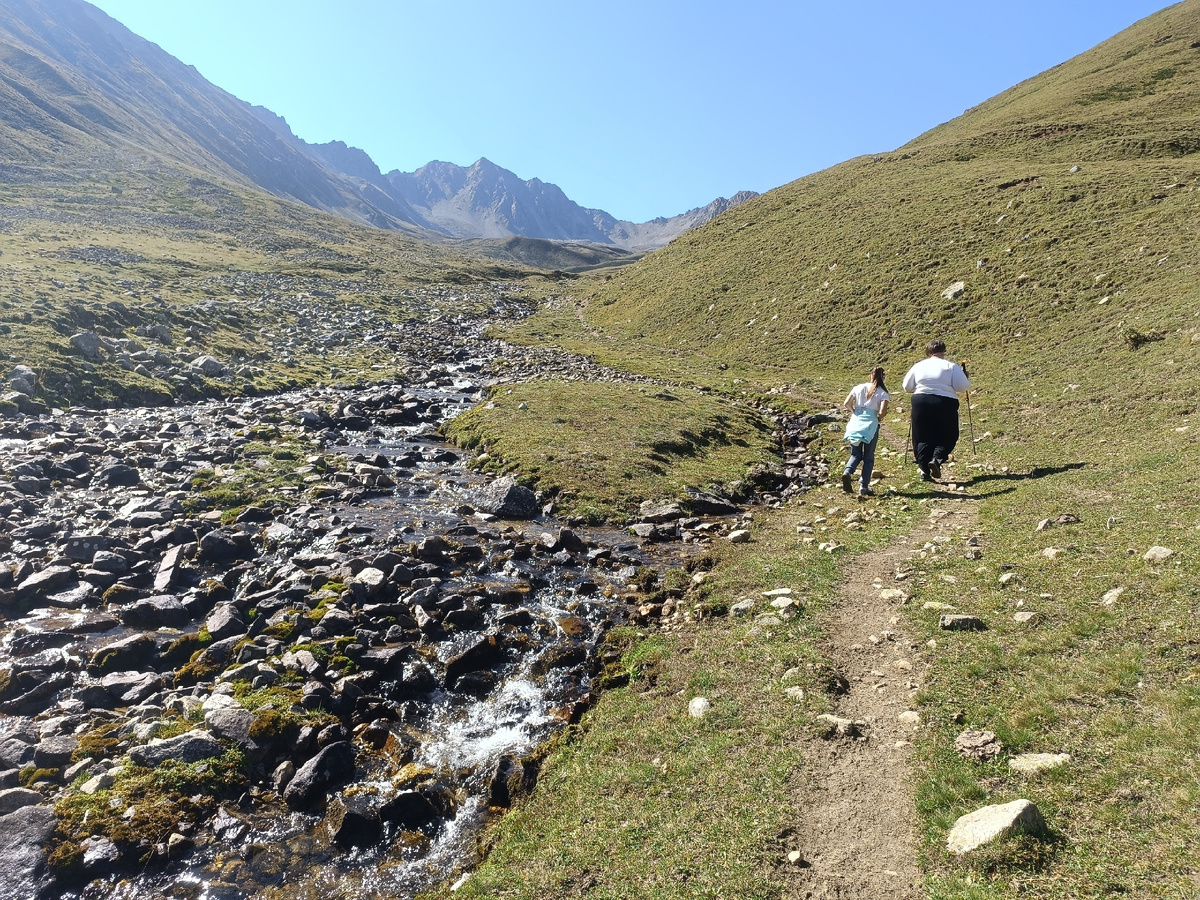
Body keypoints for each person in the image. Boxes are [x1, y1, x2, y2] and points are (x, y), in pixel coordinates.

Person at [901, 339, 971, 481]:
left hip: (921, 400)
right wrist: (965, 377)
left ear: (928, 352)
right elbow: (963, 387)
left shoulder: (918, 366)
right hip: (945, 401)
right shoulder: (951, 366)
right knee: (948, 433)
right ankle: (937, 459)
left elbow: (907, 387)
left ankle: (924, 470)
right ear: (943, 351)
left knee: (921, 436)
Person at [841, 366, 889, 497]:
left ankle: (848, 472)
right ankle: (864, 486)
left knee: (855, 454)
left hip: (855, 422)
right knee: (868, 457)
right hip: (870, 425)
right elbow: (883, 411)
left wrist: (855, 412)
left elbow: (846, 403)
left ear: (870, 375)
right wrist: (878, 418)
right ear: (883, 377)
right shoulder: (883, 392)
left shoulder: (858, 387)